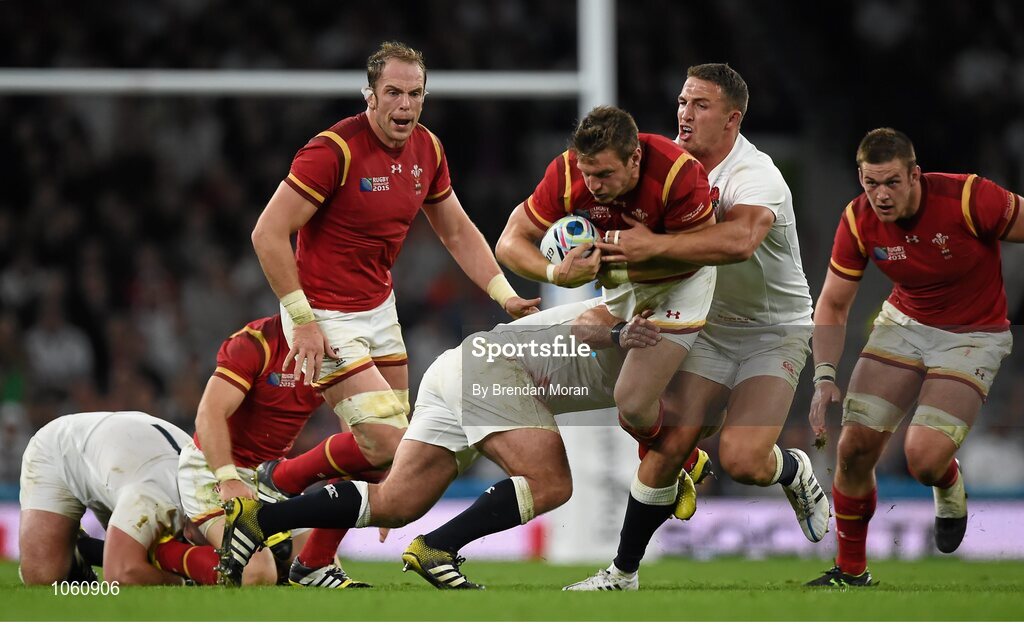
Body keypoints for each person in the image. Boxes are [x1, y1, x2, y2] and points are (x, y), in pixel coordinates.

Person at [248, 43, 537, 563]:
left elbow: (456, 231)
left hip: (379, 311)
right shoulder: (332, 150)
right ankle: (278, 479)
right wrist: (302, 321)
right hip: (323, 314)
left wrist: (505, 294)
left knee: (381, 464)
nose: (405, 105)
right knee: (387, 444)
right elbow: (268, 233)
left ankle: (312, 563)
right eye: (394, 93)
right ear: (370, 96)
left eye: (415, 94)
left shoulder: (428, 150)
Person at [565, 63, 830, 590]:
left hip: (772, 329)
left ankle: (792, 470)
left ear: (732, 119)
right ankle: (622, 573)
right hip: (706, 322)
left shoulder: (756, 174)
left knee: (742, 458)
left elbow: (739, 243)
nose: (684, 114)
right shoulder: (666, 167)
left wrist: (654, 247)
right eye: (682, 102)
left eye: (699, 105)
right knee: (667, 438)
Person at [215, 299, 663, 589]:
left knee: (395, 502)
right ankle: (437, 547)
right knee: (550, 483)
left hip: (462, 366)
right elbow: (593, 327)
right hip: (496, 370)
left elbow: (641, 415)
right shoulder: (651, 312)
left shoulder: (675, 339)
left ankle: (262, 518)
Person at [805, 128, 1022, 587]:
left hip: (974, 334)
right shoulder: (858, 218)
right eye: (870, 183)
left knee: (922, 458)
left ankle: (947, 482)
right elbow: (833, 304)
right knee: (854, 447)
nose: (880, 195)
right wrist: (824, 374)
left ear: (915, 174)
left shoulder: (969, 197)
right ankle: (851, 573)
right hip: (904, 326)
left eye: (891, 183)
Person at [177, 314, 372, 588]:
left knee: (318, 569)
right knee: (258, 574)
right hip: (214, 468)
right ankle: (175, 557)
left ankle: (267, 552)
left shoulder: (336, 349)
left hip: (272, 476)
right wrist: (228, 478)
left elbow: (354, 434)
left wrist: (378, 492)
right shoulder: (254, 343)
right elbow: (209, 414)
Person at [18, 411, 219, 585]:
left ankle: (82, 546)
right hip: (60, 448)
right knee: (42, 576)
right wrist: (186, 583)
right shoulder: (154, 498)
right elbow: (120, 573)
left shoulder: (209, 483)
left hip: (129, 448)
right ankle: (76, 546)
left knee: (154, 546)